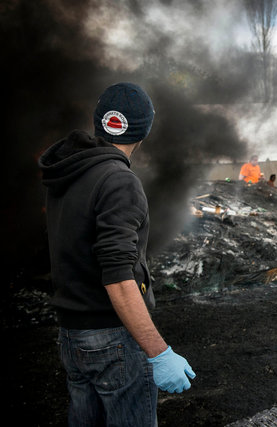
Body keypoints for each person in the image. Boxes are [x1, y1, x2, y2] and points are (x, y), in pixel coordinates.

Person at [38, 83, 195, 426]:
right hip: (111, 338)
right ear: (143, 132)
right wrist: (159, 352)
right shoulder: (118, 180)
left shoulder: (67, 173)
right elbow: (118, 276)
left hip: (71, 336)